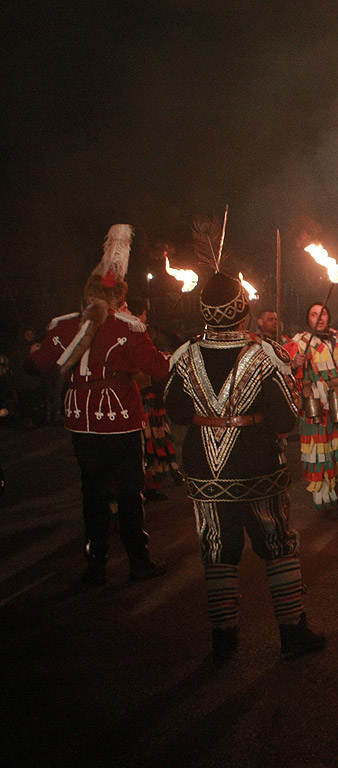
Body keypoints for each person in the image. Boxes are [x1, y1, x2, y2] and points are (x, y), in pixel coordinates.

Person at [165, 271, 325, 661]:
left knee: (217, 547)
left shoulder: (185, 353)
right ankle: (291, 631)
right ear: (243, 312)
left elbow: (176, 411)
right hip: (256, 464)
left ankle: (223, 638)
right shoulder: (266, 352)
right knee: (278, 543)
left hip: (205, 467)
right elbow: (286, 421)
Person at [29, 224, 169, 585]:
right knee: (129, 493)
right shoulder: (128, 327)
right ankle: (138, 562)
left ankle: (96, 565)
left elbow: (38, 366)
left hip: (80, 420)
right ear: (120, 295)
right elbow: (160, 369)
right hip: (120, 418)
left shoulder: (62, 327)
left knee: (91, 493)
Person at [284, 303, 338, 514]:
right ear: (307, 318)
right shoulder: (298, 343)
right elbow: (282, 371)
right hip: (315, 408)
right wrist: (294, 364)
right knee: (319, 455)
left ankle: (336, 487)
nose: (319, 318)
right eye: (314, 314)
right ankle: (324, 502)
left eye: (323, 314)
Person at [127, 298, 179, 501]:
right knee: (148, 443)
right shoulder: (133, 335)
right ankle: (146, 485)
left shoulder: (151, 333)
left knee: (156, 441)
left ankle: (154, 483)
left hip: (151, 394)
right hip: (142, 395)